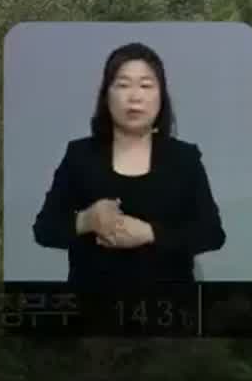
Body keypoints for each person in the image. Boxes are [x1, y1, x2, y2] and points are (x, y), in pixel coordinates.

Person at [32, 42, 225, 285]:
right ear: (107, 95)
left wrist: (149, 233)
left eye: (146, 85)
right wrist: (87, 220)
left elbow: (212, 234)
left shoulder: (184, 158)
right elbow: (44, 230)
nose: (135, 97)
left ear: (161, 96)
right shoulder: (80, 155)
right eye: (122, 85)